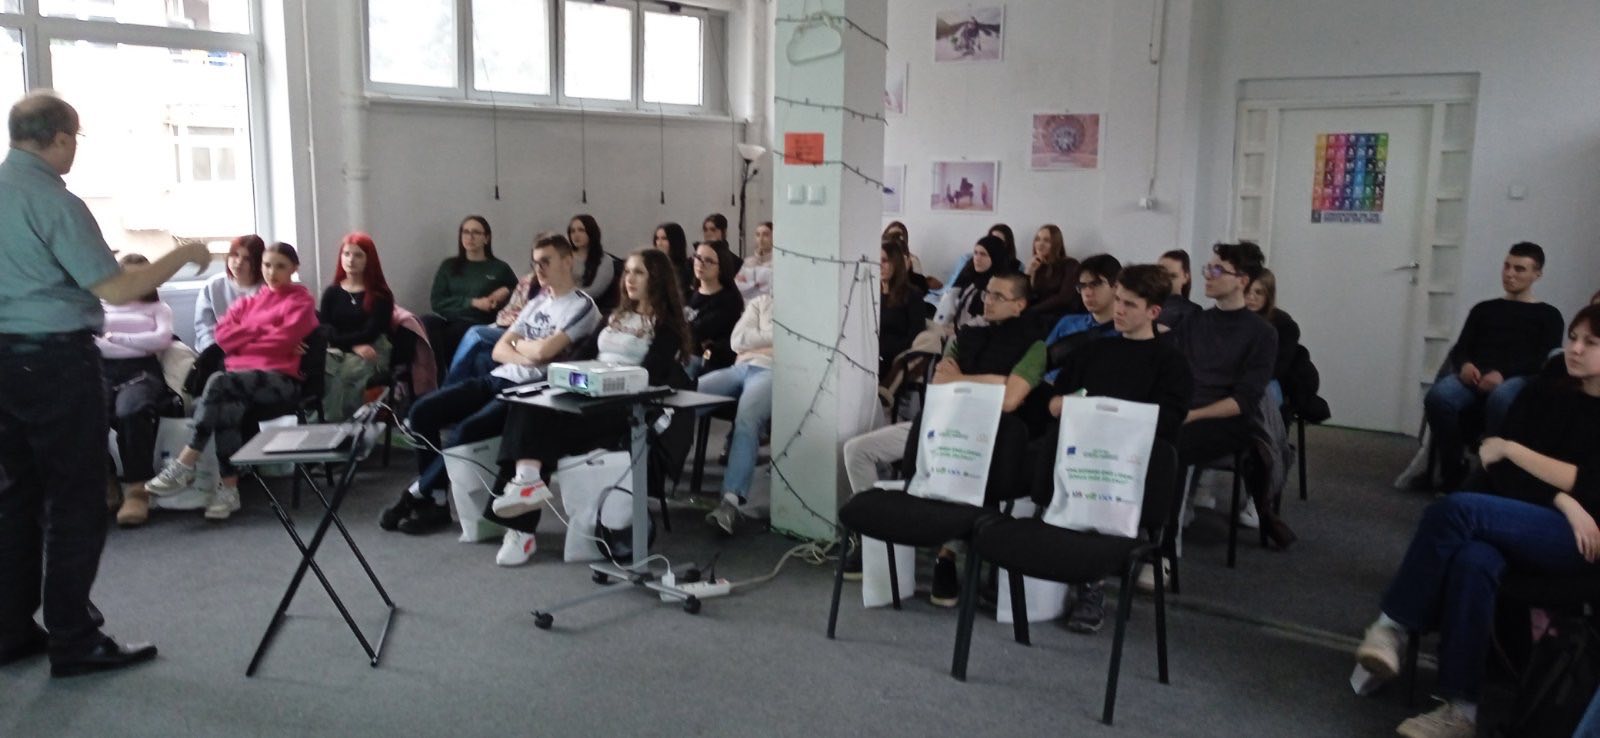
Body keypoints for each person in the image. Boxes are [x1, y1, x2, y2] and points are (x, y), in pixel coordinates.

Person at [1, 91, 209, 677]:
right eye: (76, 139)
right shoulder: (54, 201)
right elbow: (117, 288)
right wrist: (183, 255)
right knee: (76, 499)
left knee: (15, 496)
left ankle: (9, 629)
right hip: (54, 361)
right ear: (62, 138)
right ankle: (75, 637)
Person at [1354, 302, 1600, 738]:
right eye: (1574, 338)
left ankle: (1393, 625)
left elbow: (1588, 483)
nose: (1575, 349)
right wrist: (1563, 497)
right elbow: (1495, 464)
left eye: (1591, 343)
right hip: (1540, 515)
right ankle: (1461, 710)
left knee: (1456, 510)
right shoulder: (1548, 389)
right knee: (1474, 558)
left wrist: (1513, 450)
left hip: (1582, 540)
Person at [839, 273, 1046, 604]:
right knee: (857, 450)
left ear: (1020, 305)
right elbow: (940, 384)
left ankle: (946, 558)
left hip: (986, 436)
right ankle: (872, 542)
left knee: (963, 479)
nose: (988, 301)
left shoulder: (1034, 346)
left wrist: (963, 379)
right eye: (987, 294)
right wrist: (996, 381)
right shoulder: (968, 335)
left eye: (999, 296)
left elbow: (1010, 400)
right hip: (940, 422)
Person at [379, 234, 601, 536]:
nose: (539, 269)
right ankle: (436, 498)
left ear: (567, 261)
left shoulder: (582, 306)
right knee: (422, 412)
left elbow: (544, 352)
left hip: (529, 392)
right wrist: (529, 352)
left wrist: (523, 347)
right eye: (535, 263)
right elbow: (500, 350)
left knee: (464, 432)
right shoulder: (538, 302)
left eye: (546, 262)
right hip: (499, 377)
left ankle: (416, 493)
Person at [487, 249, 691, 566]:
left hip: (620, 408)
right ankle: (526, 484)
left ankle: (523, 519)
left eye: (639, 273)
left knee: (536, 429)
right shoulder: (613, 317)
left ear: (657, 279)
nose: (629, 279)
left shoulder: (667, 327)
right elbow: (581, 355)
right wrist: (568, 376)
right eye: (628, 272)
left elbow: (649, 375)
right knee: (527, 403)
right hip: (586, 392)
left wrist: (603, 380)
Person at [1036, 264, 1194, 633]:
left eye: (1130, 304)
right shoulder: (1093, 351)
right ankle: (1067, 576)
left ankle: (1091, 586)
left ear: (1154, 312)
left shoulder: (1170, 363)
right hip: (1083, 455)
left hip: (1129, 465)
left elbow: (1168, 423)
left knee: (1101, 497)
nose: (1118, 310)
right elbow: (1056, 401)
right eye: (1118, 301)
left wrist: (1109, 419)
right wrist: (1063, 405)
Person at [145, 242, 320, 522]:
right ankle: (229, 490)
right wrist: (264, 329)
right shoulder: (248, 302)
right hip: (239, 380)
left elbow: (283, 340)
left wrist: (246, 339)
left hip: (281, 381)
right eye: (267, 265)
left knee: (218, 382)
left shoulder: (301, 302)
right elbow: (224, 338)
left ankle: (187, 461)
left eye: (280, 266)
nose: (272, 272)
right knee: (227, 405)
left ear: (293, 269)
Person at [1169, 242, 1294, 548]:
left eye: (1217, 270)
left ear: (1242, 280)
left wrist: (1192, 415)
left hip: (1228, 421)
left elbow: (1244, 401)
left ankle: (1166, 547)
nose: (1208, 276)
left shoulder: (1263, 334)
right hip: (1188, 411)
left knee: (1175, 442)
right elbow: (1171, 371)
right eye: (1208, 269)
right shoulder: (1194, 322)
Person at [1425, 242, 1565, 491]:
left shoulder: (1549, 315)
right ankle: (1453, 468)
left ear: (1537, 274)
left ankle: (1489, 472)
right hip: (1475, 375)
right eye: (1506, 266)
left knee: (1501, 398)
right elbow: (1462, 346)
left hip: (1518, 378)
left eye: (1519, 269)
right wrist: (1465, 365)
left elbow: (1544, 360)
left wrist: (1503, 374)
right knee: (1438, 397)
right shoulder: (1484, 309)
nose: (1509, 274)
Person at [99, 254, 182, 528]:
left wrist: (117, 338)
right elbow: (92, 343)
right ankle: (106, 480)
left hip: (142, 372)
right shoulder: (99, 306)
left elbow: (161, 340)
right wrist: (138, 342)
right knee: (84, 413)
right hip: (100, 370)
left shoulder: (158, 308)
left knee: (131, 410)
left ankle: (137, 488)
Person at [696, 291, 775, 535]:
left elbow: (796, 346)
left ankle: (730, 503)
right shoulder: (762, 302)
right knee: (684, 397)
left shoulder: (806, 308)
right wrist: (773, 344)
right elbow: (736, 340)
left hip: (772, 372)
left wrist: (757, 344)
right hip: (740, 368)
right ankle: (649, 476)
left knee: (747, 421)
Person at [424, 215, 518, 378]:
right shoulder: (449, 266)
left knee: (456, 332)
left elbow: (521, 293)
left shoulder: (499, 268)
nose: (470, 237)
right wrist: (473, 302)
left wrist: (506, 291)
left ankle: (450, 379)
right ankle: (438, 376)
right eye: (465, 232)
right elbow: (437, 302)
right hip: (451, 320)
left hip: (480, 323)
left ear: (486, 238)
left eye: (476, 232)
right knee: (426, 322)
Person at [320, 232, 395, 422]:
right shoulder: (332, 292)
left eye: (358, 255)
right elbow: (325, 329)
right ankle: (324, 423)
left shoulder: (380, 295)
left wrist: (346, 342)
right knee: (324, 369)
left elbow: (370, 333)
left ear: (369, 259)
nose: (351, 260)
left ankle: (346, 424)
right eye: (346, 254)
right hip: (341, 349)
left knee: (347, 374)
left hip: (372, 348)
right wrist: (352, 346)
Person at [685, 240, 744, 378]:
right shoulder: (688, 293)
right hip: (685, 353)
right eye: (697, 257)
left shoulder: (729, 300)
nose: (700, 264)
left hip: (708, 361)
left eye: (708, 261)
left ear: (721, 267)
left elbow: (698, 332)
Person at [194, 234, 263, 352]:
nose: (239, 262)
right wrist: (217, 352)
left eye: (247, 259)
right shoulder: (213, 286)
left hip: (256, 351)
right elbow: (204, 329)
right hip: (218, 351)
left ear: (257, 262)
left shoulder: (267, 289)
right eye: (235, 255)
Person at [1245, 267, 1300, 409]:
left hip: (1267, 381)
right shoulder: (1232, 319)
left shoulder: (1283, 325)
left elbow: (1278, 367)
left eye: (1258, 292)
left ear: (1268, 296)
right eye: (1247, 291)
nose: (1251, 297)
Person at [935, 234, 1015, 331]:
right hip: (957, 331)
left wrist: (960, 331)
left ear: (995, 257)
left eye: (983, 254)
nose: (977, 258)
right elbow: (949, 304)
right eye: (975, 253)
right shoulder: (969, 277)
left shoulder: (1001, 287)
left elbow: (989, 320)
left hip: (977, 334)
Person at [879, 239, 929, 379]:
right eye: (877, 260)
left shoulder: (912, 295)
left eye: (884, 261)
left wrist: (884, 349)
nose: (879, 265)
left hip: (894, 356)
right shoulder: (872, 293)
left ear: (896, 263)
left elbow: (916, 335)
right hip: (870, 352)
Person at [1025, 224, 1083, 319]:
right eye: (1038, 239)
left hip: (1061, 316)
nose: (1040, 244)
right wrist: (1029, 272)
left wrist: (1032, 310)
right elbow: (1028, 296)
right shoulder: (1037, 266)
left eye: (1046, 240)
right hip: (1038, 315)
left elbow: (1064, 297)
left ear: (1056, 244)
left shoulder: (1070, 264)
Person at [569, 214, 619, 310]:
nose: (576, 235)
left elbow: (595, 291)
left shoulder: (604, 260)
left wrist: (567, 295)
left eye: (581, 230)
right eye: (572, 231)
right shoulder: (564, 256)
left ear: (591, 232)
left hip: (586, 307)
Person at [1157, 249, 1201, 330]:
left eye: (1172, 276)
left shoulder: (1192, 310)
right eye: (1160, 274)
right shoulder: (1143, 303)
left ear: (1185, 277)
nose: (1165, 280)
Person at [733, 221, 774, 301]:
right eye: (758, 235)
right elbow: (738, 286)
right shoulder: (748, 262)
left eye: (765, 235)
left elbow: (770, 289)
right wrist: (756, 285)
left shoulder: (777, 264)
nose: (761, 239)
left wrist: (749, 284)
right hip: (748, 305)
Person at [654, 222, 693, 293]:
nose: (659, 243)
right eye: (657, 238)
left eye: (664, 239)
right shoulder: (654, 266)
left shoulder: (685, 269)